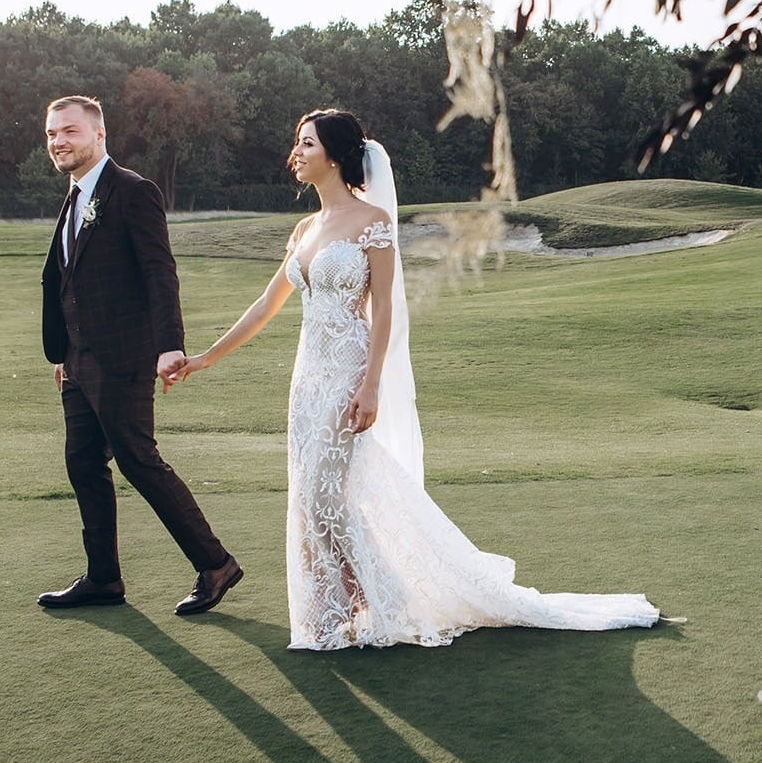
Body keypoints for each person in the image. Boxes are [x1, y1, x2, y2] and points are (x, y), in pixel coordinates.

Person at [166, 109, 659, 649]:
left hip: (350, 371)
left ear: (334, 155)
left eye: (307, 143)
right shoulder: (305, 229)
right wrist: (204, 358)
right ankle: (339, 611)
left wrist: (371, 383)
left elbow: (384, 312)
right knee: (311, 497)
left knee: (327, 499)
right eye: (297, 143)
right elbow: (267, 303)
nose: (297, 152)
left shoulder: (373, 220)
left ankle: (380, 601)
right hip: (307, 379)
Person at [35, 95, 243, 616]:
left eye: (70, 131)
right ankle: (103, 578)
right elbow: (70, 278)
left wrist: (169, 344)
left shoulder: (132, 191)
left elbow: (158, 271)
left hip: (125, 356)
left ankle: (215, 564)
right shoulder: (73, 198)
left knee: (138, 460)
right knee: (82, 462)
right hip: (79, 361)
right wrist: (64, 351)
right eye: (52, 134)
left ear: (99, 135)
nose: (59, 141)